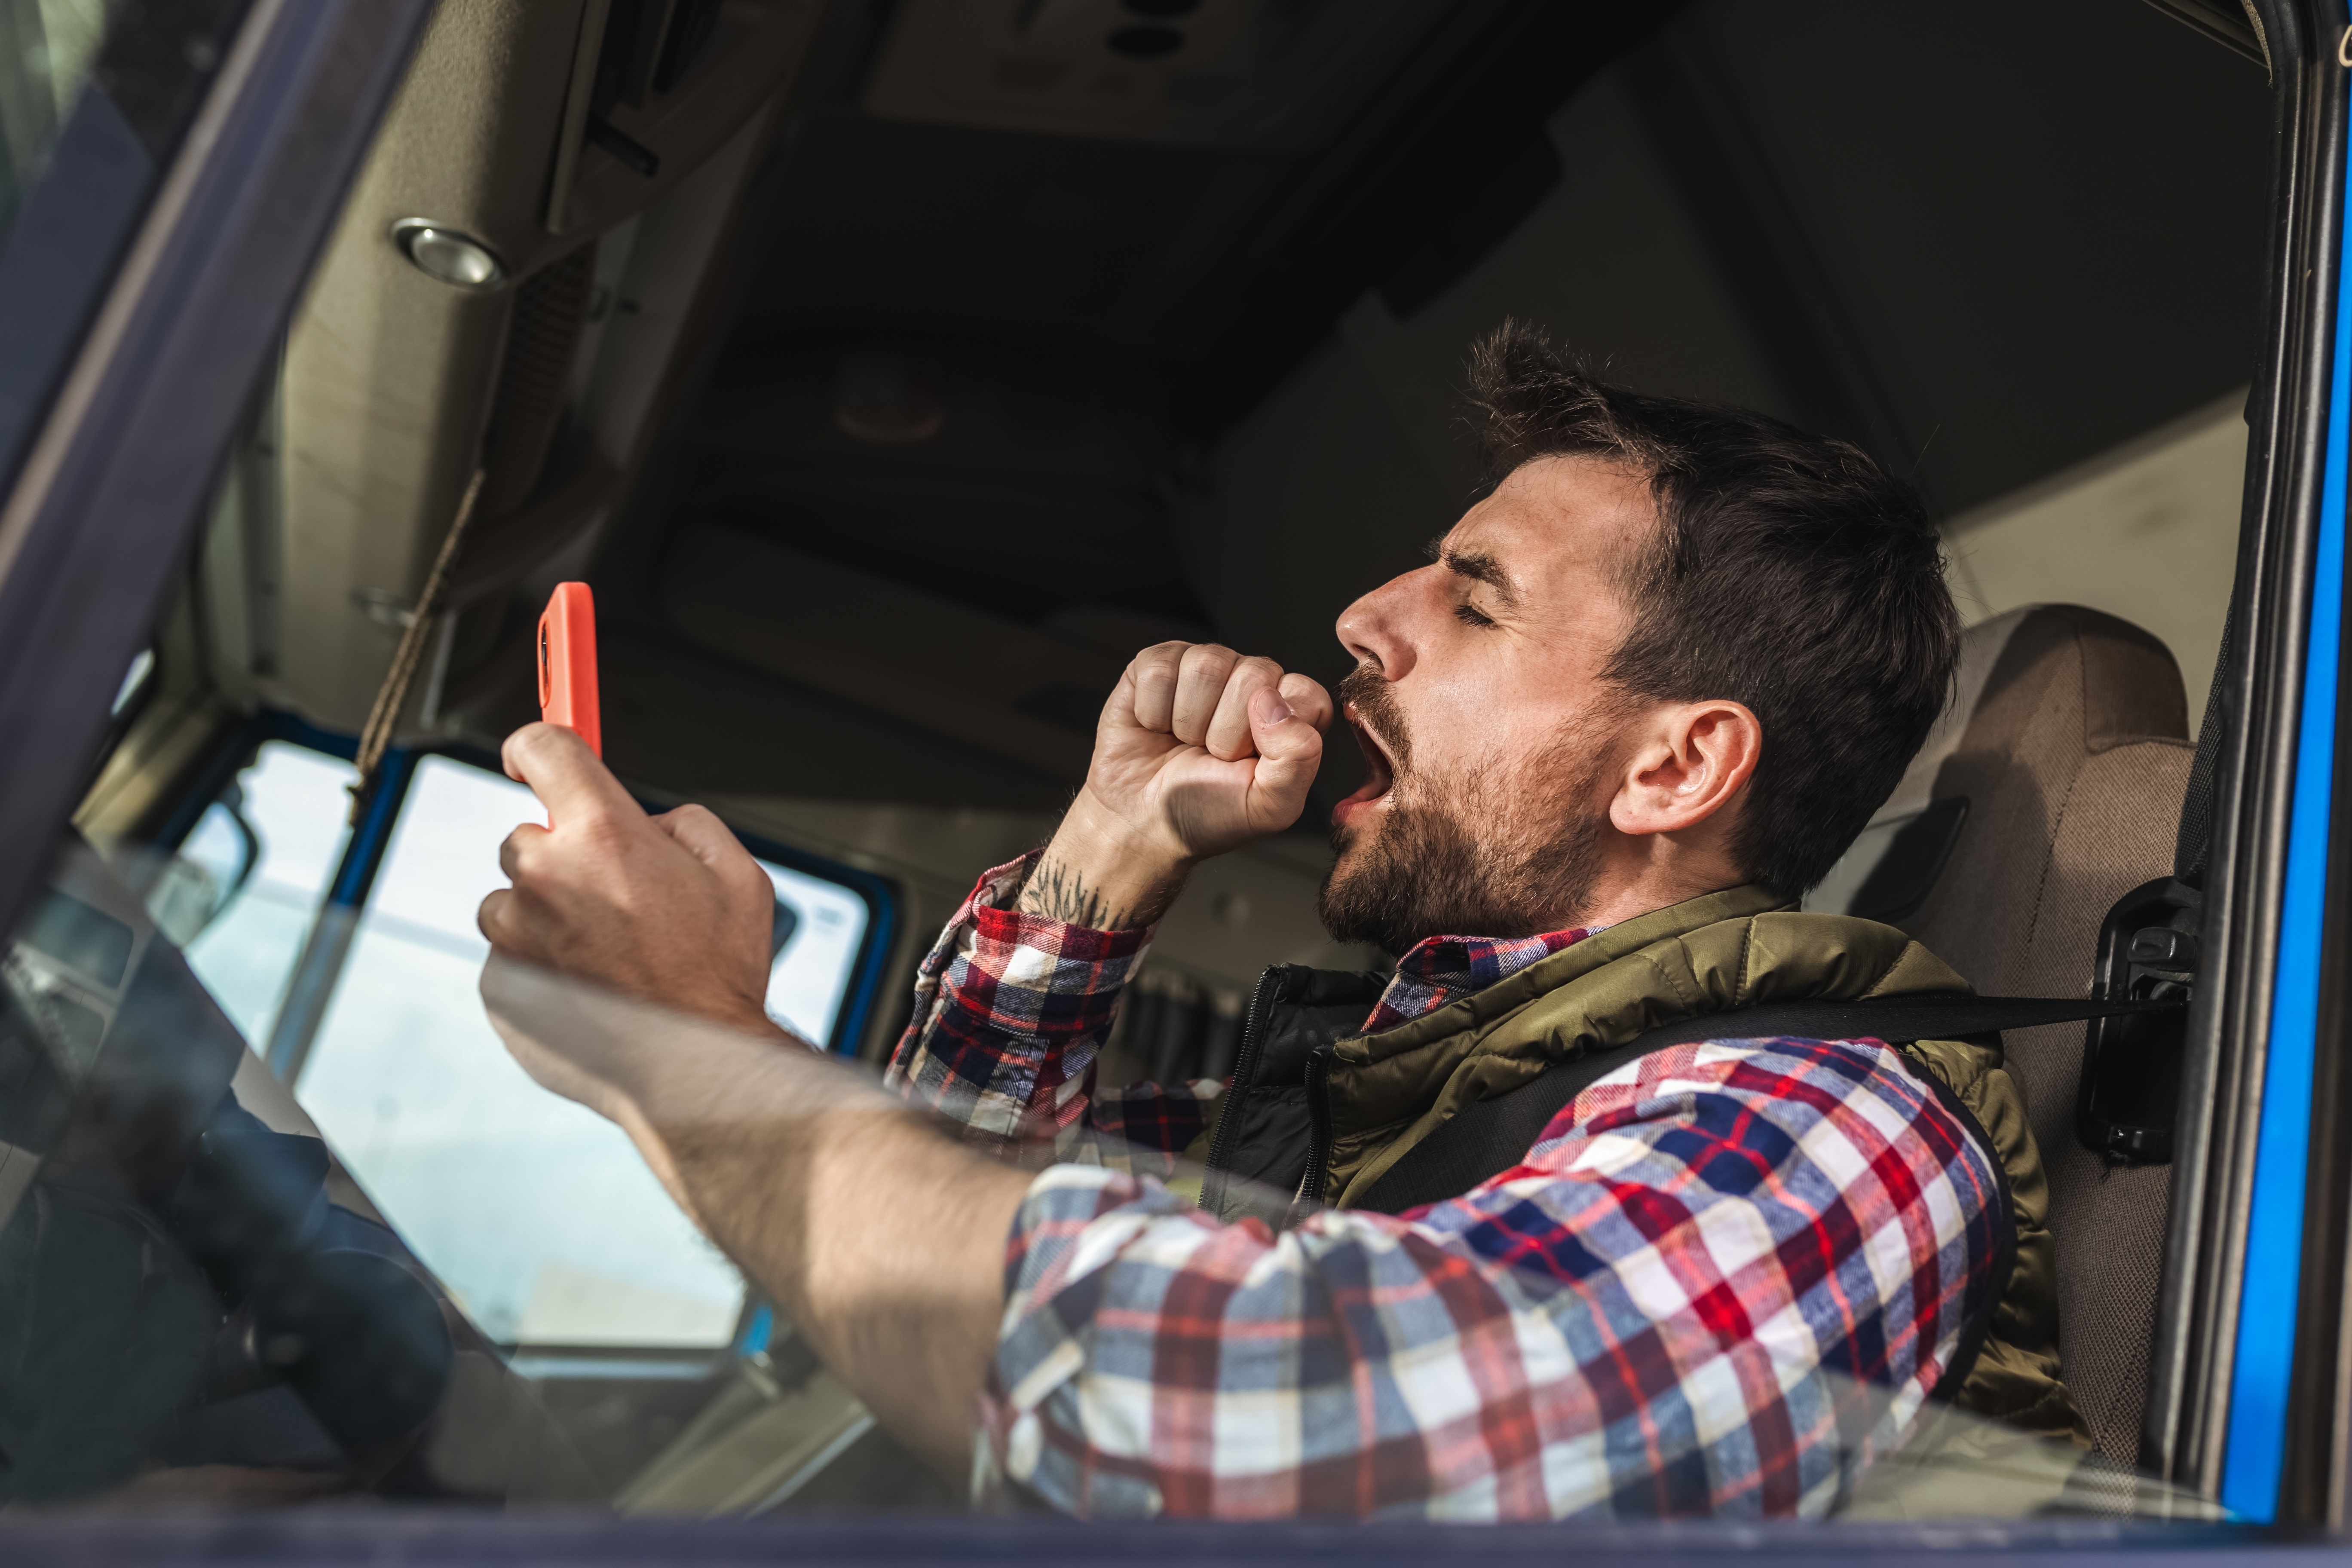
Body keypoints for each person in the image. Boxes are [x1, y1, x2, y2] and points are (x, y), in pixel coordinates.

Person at [477, 323, 2080, 1521]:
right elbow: (933, 1236)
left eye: (1476, 596)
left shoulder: (1821, 1123)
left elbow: (1263, 1429)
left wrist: (690, 1042)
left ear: (1675, 765)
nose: (1365, 620)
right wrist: (1100, 865)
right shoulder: (1416, 1080)